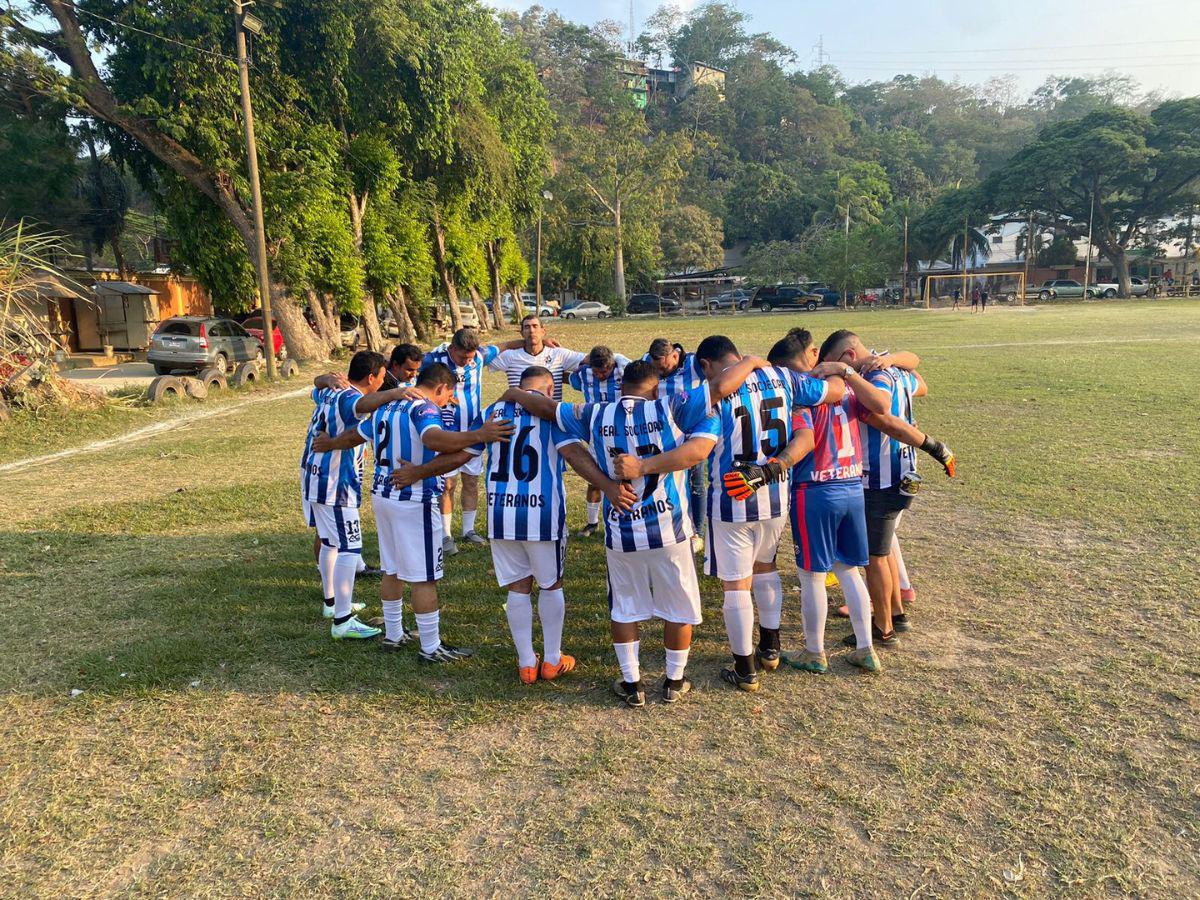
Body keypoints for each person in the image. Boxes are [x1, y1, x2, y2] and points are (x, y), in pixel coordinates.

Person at [502, 360, 720, 707]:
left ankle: (632, 684)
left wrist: (515, 391)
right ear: (654, 387)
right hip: (670, 529)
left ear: (622, 387)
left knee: (624, 608)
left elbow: (551, 415)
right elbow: (697, 451)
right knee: (679, 607)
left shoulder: (596, 413)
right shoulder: (672, 407)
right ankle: (674, 680)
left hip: (622, 531)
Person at [313, 363, 514, 661]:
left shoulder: (387, 405)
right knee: (424, 577)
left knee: (391, 568)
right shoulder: (424, 408)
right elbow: (433, 439)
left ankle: (394, 634)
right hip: (413, 498)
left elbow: (357, 434)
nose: (447, 402)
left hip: (382, 494)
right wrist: (479, 435)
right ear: (442, 388)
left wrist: (331, 443)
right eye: (448, 396)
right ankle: (431, 647)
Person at [682, 335, 844, 692]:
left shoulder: (715, 392)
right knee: (766, 567)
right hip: (774, 492)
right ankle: (770, 648)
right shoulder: (784, 378)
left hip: (732, 495)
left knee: (736, 583)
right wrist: (839, 370)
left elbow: (689, 425)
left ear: (707, 365)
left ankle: (745, 668)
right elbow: (833, 393)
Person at [474, 366, 635, 684]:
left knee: (518, 587)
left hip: (501, 513)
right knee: (550, 584)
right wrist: (608, 486)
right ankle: (550, 660)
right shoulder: (551, 414)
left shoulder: (491, 411)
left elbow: (464, 448)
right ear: (549, 390)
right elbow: (575, 456)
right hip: (542, 515)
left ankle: (525, 664)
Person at [822, 332, 956, 646]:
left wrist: (848, 375)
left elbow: (881, 409)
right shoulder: (891, 370)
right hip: (903, 473)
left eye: (833, 365)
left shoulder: (873, 376)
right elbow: (920, 380)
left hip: (882, 478)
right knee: (885, 548)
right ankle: (895, 612)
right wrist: (893, 359)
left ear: (849, 357)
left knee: (874, 557)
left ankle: (882, 629)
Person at [770, 331, 893, 673]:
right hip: (853, 484)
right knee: (849, 570)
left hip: (815, 490)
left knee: (811, 576)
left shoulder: (803, 395)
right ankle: (866, 648)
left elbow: (804, 439)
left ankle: (814, 651)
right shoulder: (849, 389)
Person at [301, 351, 414, 639]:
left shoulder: (329, 390)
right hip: (335, 483)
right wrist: (397, 394)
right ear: (371, 377)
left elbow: (316, 386)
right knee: (350, 548)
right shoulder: (350, 397)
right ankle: (342, 621)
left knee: (330, 542)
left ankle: (331, 603)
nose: (382, 383)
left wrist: (324, 377)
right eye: (381, 377)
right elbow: (363, 402)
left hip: (314, 477)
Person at [423, 328, 522, 553]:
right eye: (462, 357)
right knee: (447, 484)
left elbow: (504, 345)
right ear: (452, 348)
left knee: (471, 481)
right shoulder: (433, 359)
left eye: (470, 357)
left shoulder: (478, 356)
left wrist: (537, 340)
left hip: (475, 429)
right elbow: (409, 375)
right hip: (446, 432)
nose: (467, 361)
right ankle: (445, 534)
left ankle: (469, 530)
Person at [644, 338, 708, 553]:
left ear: (674, 355)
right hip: (662, 436)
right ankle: (665, 524)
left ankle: (697, 532)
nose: (661, 373)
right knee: (665, 483)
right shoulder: (648, 361)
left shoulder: (693, 363)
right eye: (657, 369)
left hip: (691, 436)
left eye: (665, 368)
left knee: (695, 483)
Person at [567, 345, 633, 537]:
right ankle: (592, 522)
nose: (600, 375)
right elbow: (571, 378)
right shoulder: (584, 374)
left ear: (612, 365)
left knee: (624, 476)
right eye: (597, 372)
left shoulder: (622, 370)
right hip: (595, 432)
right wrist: (583, 362)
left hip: (622, 430)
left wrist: (618, 357)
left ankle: (626, 519)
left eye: (604, 371)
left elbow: (631, 365)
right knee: (594, 477)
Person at [489, 314, 588, 400]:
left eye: (535, 326)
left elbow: (591, 359)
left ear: (543, 331)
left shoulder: (557, 354)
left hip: (551, 415)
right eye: (527, 327)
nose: (531, 331)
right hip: (521, 416)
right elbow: (479, 355)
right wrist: (508, 344)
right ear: (522, 333)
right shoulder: (510, 356)